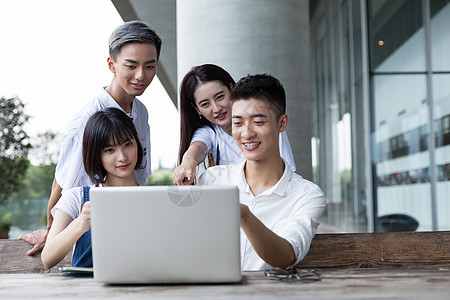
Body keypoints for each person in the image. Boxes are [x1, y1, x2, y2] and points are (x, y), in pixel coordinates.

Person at [19, 20, 162, 255]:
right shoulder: (86, 120)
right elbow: (64, 183)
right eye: (131, 66)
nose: (141, 76)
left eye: (149, 66)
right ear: (112, 64)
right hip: (93, 237)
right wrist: (50, 230)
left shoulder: (142, 111)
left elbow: (139, 175)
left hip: (133, 232)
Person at [198, 74, 326, 271]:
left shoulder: (307, 195)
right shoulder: (212, 180)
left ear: (282, 123)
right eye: (238, 123)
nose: (246, 133)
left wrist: (244, 216)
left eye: (258, 122)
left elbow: (285, 256)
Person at [41, 108, 143, 269]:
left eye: (128, 144)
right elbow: (47, 258)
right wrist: (81, 223)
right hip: (86, 292)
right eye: (110, 150)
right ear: (97, 155)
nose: (122, 157)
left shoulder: (154, 199)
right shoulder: (77, 197)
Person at [173, 64, 296, 185]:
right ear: (197, 109)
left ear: (232, 89)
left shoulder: (267, 128)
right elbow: (197, 149)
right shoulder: (210, 132)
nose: (216, 108)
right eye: (205, 104)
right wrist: (187, 163)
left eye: (220, 97)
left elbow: (289, 177)